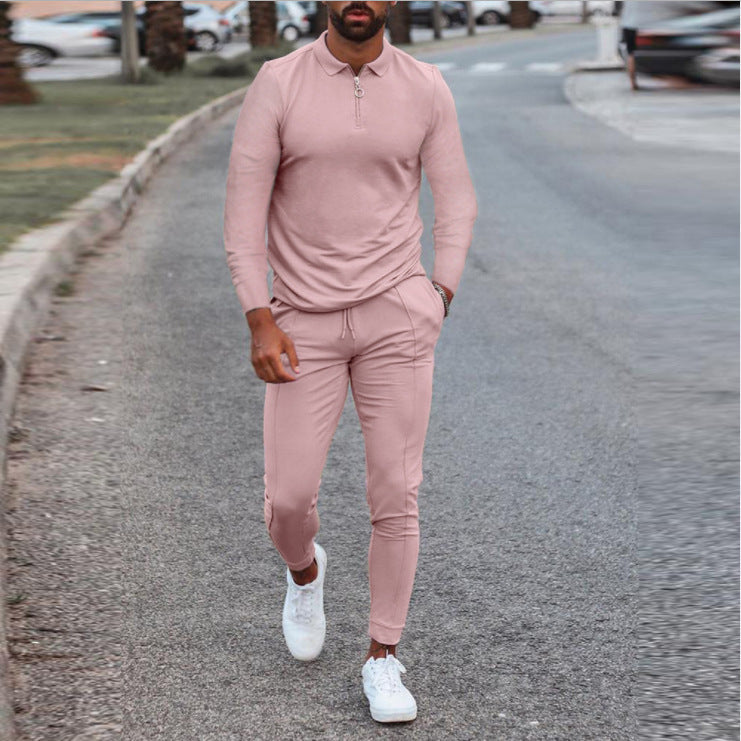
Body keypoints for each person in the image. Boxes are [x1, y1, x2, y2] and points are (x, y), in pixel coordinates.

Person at [223, 0, 477, 723]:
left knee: (396, 490)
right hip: (300, 320)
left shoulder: (426, 85)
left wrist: (440, 290)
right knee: (288, 499)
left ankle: (382, 656)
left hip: (397, 314)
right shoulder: (279, 82)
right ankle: (305, 573)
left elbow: (455, 197)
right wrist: (259, 315)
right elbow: (243, 212)